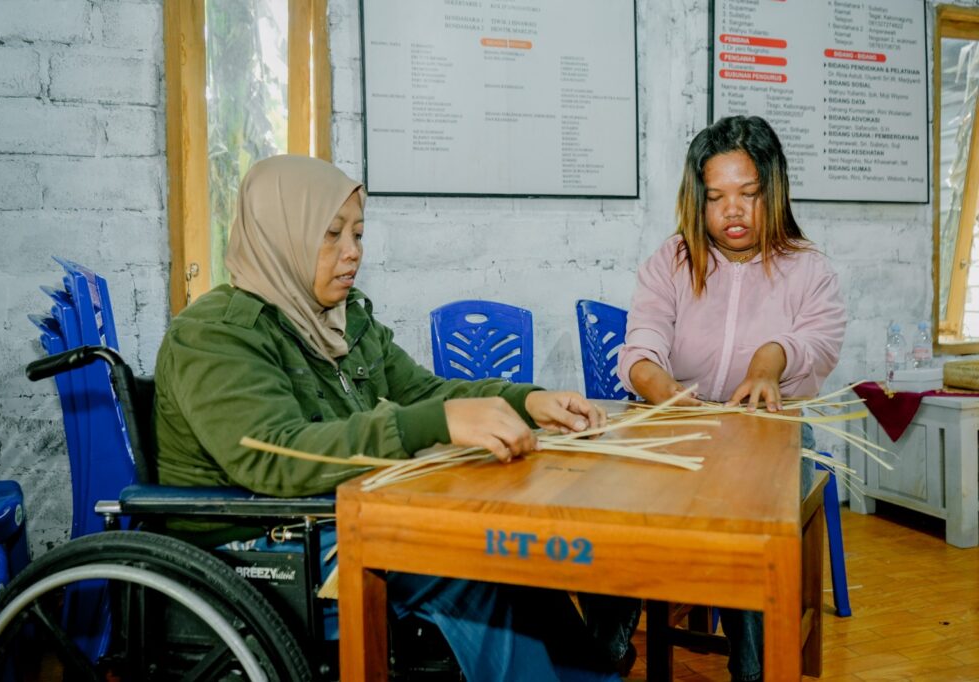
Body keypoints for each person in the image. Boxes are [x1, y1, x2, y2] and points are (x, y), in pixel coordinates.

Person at [154, 154, 626, 681]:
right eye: (331, 235)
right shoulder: (216, 334)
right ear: (279, 237)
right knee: (467, 557)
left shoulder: (341, 319)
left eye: (357, 234)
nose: (352, 252)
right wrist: (431, 424)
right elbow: (276, 457)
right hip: (257, 547)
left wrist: (526, 401)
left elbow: (424, 390)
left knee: (516, 553)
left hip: (333, 519)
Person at [616, 115, 846, 682]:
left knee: (752, 520)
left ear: (775, 189)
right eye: (716, 197)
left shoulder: (807, 269)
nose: (733, 211)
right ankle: (603, 654)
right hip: (684, 427)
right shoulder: (672, 261)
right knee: (615, 514)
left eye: (748, 194)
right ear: (698, 201)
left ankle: (756, 669)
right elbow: (642, 340)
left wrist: (771, 358)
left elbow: (819, 339)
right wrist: (658, 387)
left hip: (770, 432)